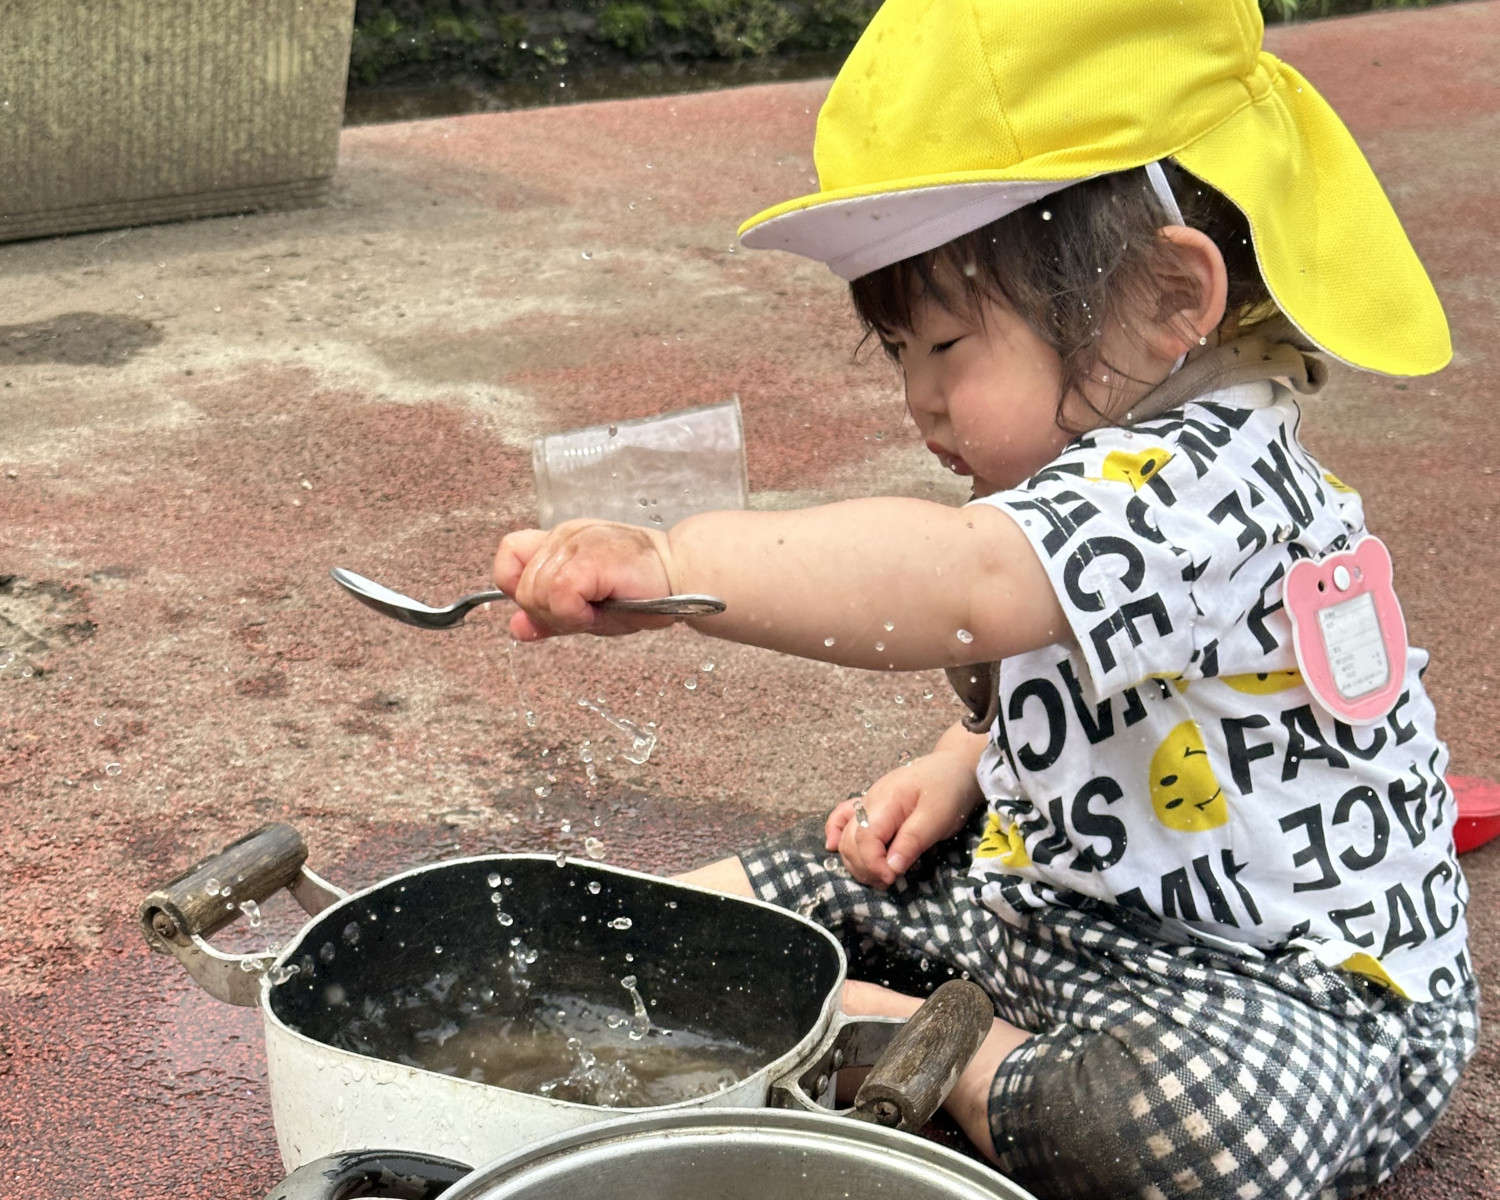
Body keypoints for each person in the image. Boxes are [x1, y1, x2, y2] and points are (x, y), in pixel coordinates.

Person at [493, 0, 1478, 1195]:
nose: (920, 402)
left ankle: (927, 1050)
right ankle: (724, 977)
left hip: (1274, 990)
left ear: (1171, 297)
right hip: (1050, 907)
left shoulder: (1209, 479)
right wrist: (962, 759)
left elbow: (975, 584)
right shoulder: (1118, 431)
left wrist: (671, 560)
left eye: (947, 347)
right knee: (754, 898)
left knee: (1219, 1127)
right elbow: (1081, 638)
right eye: (901, 354)